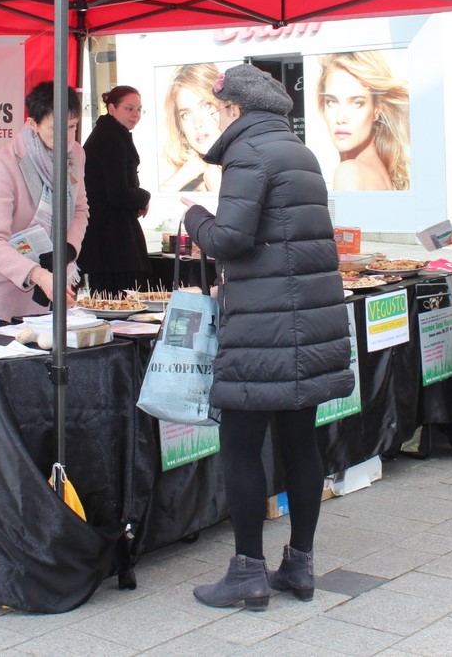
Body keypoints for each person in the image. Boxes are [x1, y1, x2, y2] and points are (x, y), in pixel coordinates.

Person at [180, 64, 353, 611]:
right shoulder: (300, 152)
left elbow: (230, 238)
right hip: (304, 324)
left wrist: (193, 217)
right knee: (301, 443)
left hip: (263, 328)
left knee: (240, 444)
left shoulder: (247, 154)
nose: (214, 118)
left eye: (218, 108)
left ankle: (247, 571)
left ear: (235, 109)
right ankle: (299, 565)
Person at [0, 84, 87, 318]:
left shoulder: (76, 153)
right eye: (56, 128)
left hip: (55, 282)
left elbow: (79, 209)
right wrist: (38, 274)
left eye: (72, 127)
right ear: (33, 124)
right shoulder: (5, 162)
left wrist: (67, 249)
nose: (66, 137)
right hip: (6, 289)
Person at [79, 85, 151, 295]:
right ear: (112, 108)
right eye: (129, 109)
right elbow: (117, 192)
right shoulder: (110, 138)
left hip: (108, 239)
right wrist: (144, 196)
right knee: (118, 304)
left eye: (138, 109)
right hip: (111, 241)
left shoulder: (111, 134)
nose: (135, 115)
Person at [316, 51, 411, 191]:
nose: (341, 118)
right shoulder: (379, 171)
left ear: (376, 109)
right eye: (332, 102)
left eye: (356, 103)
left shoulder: (349, 172)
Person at [161, 63, 223, 192]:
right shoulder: (186, 179)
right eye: (186, 115)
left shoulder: (251, 164)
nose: (197, 123)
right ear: (179, 125)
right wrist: (183, 176)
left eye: (206, 106)